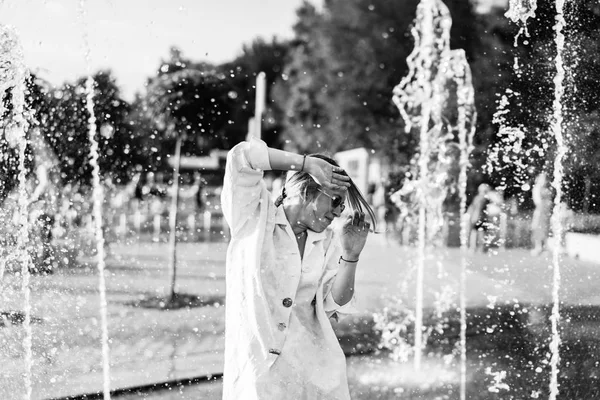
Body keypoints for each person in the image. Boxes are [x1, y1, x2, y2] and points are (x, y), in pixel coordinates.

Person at [221, 137, 375, 400]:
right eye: (336, 201)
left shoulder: (325, 241)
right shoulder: (253, 216)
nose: (339, 212)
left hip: (313, 372)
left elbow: (334, 302)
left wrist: (351, 255)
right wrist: (305, 163)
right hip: (257, 373)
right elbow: (242, 157)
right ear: (308, 190)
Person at [531, 172, 553, 255]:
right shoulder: (537, 188)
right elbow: (537, 201)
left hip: (547, 212)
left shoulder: (547, 188)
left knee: (545, 229)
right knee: (538, 228)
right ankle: (538, 247)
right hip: (541, 211)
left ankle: (544, 247)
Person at [467, 183, 491, 252]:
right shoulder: (482, 198)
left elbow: (472, 207)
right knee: (479, 233)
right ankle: (478, 247)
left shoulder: (479, 198)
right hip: (480, 218)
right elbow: (475, 208)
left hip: (479, 218)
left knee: (476, 233)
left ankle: (475, 247)